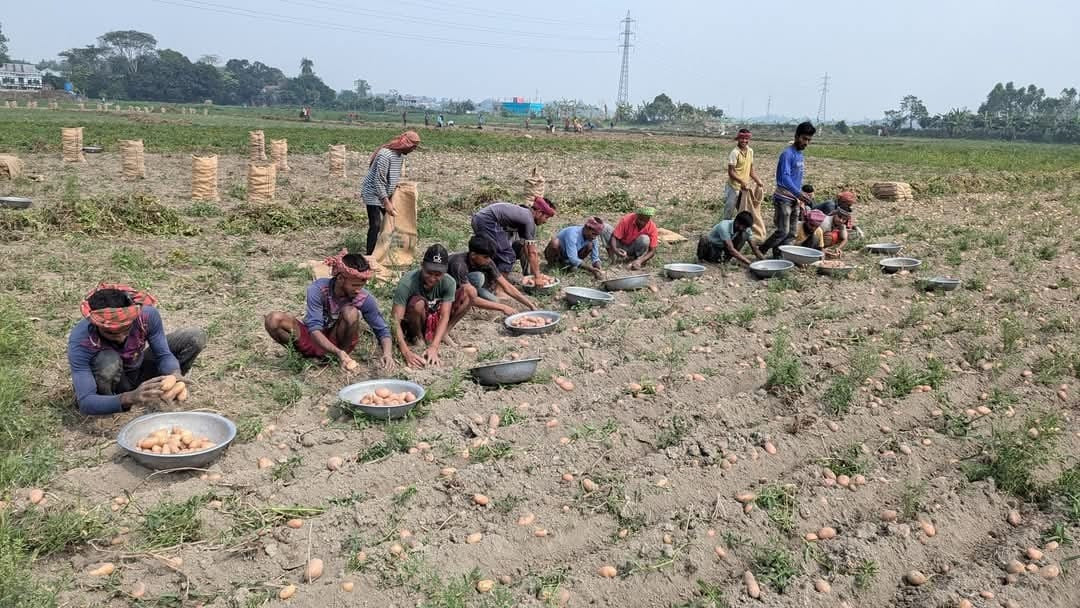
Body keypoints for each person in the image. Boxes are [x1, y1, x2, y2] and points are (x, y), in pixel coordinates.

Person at [67, 283, 207, 415]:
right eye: (111, 333)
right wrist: (130, 397)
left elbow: (164, 355)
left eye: (126, 329)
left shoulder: (146, 316)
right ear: (97, 326)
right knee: (108, 360)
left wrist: (174, 372)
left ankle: (167, 391)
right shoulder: (82, 340)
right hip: (115, 385)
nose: (121, 338)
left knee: (193, 337)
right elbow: (86, 401)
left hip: (138, 370)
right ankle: (111, 403)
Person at [263, 250, 393, 373]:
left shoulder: (363, 298)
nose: (359, 290)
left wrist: (387, 354)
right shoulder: (318, 289)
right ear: (341, 278)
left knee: (351, 312)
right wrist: (336, 351)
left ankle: (342, 357)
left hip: (338, 340)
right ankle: (304, 356)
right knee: (273, 319)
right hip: (314, 338)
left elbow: (382, 329)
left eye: (361, 286)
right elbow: (314, 329)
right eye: (354, 285)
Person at [391, 245, 464, 368]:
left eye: (438, 274)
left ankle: (440, 335)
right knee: (418, 304)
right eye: (429, 273)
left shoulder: (449, 282)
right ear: (422, 266)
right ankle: (417, 337)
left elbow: (445, 315)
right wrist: (405, 352)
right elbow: (395, 320)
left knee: (467, 293)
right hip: (414, 320)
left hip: (433, 318)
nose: (432, 278)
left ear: (445, 271)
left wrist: (434, 347)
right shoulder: (407, 282)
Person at [760, 121, 816, 258]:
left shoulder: (800, 155)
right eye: (804, 139)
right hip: (784, 198)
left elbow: (796, 177)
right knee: (782, 231)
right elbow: (785, 178)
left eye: (809, 140)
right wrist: (798, 193)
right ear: (797, 136)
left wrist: (800, 195)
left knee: (792, 233)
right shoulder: (787, 154)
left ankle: (779, 254)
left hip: (795, 199)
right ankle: (762, 249)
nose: (806, 143)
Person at [360, 130, 421, 255]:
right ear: (406, 145)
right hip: (372, 192)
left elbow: (391, 177)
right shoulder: (385, 155)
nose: (413, 151)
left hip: (384, 192)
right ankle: (370, 255)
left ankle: (386, 250)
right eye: (413, 148)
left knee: (391, 221)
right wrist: (386, 202)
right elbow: (379, 180)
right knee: (376, 224)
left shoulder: (399, 156)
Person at [471, 198, 556, 284]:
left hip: (480, 219)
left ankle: (488, 278)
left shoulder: (524, 214)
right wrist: (537, 277)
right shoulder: (529, 220)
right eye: (546, 217)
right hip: (487, 221)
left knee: (495, 251)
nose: (545, 221)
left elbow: (526, 248)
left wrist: (535, 273)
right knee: (507, 255)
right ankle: (499, 288)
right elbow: (532, 252)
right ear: (539, 212)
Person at [448, 235, 536, 316]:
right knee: (478, 278)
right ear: (473, 255)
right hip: (452, 288)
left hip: (468, 284)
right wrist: (503, 307)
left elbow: (506, 286)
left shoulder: (486, 261)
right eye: (486, 257)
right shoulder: (458, 265)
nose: (489, 260)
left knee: (493, 300)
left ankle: (476, 295)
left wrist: (530, 305)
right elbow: (470, 296)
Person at [697, 211, 764, 266]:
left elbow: (754, 247)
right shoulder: (724, 226)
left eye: (746, 227)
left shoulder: (745, 229)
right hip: (713, 248)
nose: (745, 229)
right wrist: (749, 263)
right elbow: (731, 249)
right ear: (737, 222)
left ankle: (726, 259)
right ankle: (703, 260)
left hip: (723, 249)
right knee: (704, 239)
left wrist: (763, 260)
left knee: (744, 235)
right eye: (744, 227)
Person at [724, 129, 764, 219]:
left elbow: (751, 170)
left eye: (746, 139)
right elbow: (731, 172)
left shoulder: (750, 151)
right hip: (733, 187)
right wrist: (741, 181)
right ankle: (724, 229)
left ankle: (739, 230)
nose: (744, 141)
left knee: (743, 212)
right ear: (738, 139)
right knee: (729, 211)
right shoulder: (735, 153)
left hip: (744, 188)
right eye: (742, 138)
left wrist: (758, 181)